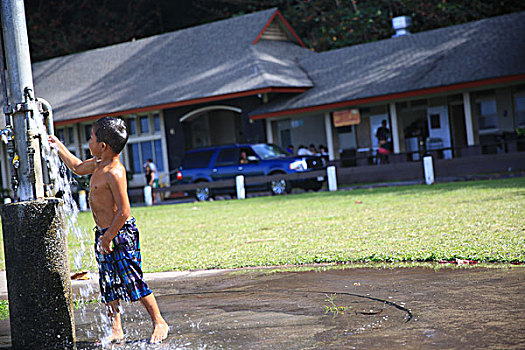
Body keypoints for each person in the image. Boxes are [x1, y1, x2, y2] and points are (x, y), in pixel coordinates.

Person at [48, 117, 169, 345]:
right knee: (109, 282)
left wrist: (109, 237)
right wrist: (58, 145)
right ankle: (116, 328)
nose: (88, 142)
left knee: (132, 279)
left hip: (119, 233)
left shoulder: (115, 172)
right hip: (104, 233)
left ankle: (159, 321)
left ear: (103, 145)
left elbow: (124, 211)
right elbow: (75, 167)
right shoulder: (97, 163)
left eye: (91, 138)